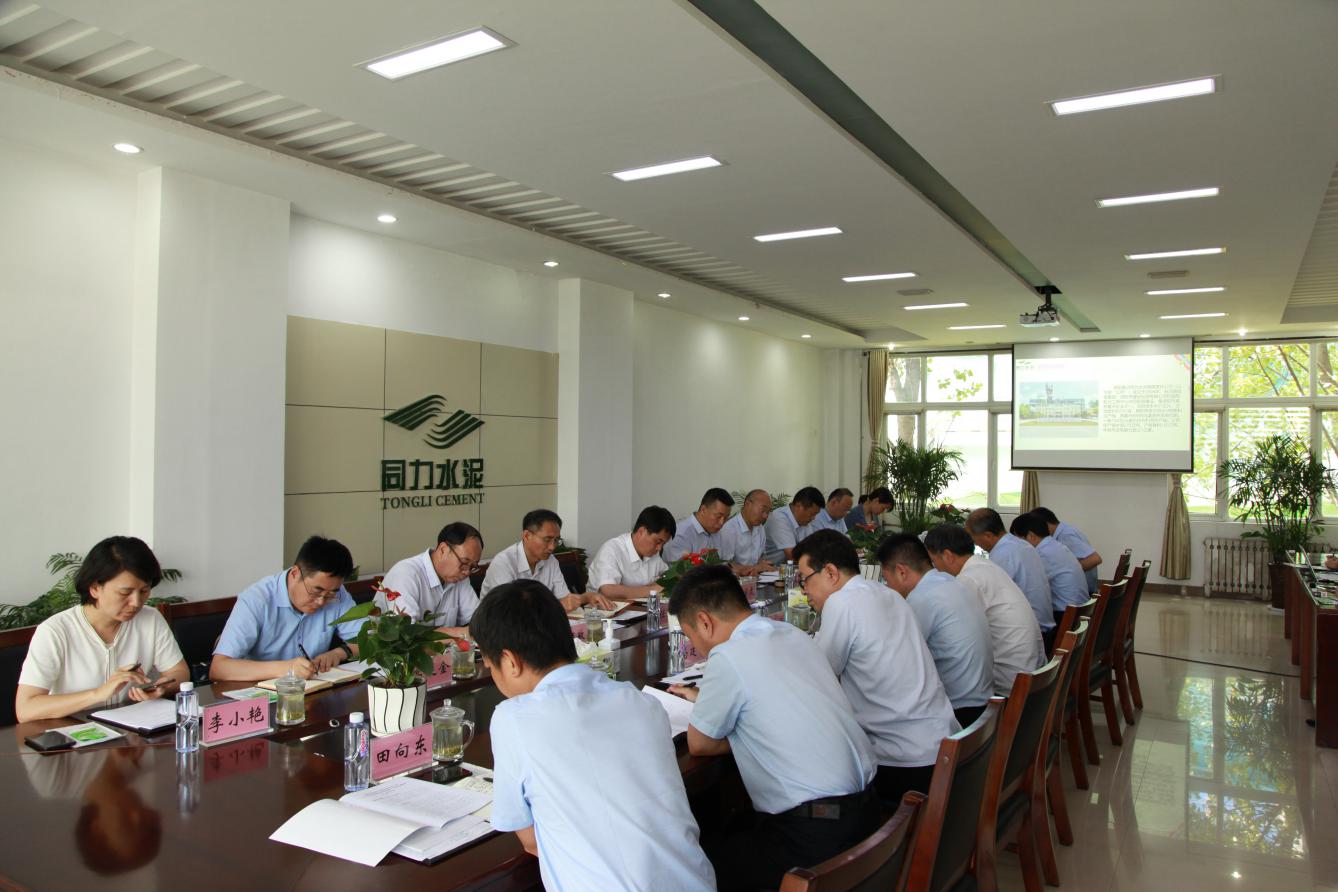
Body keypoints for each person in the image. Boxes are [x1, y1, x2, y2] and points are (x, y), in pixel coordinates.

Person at [476, 580, 715, 892]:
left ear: (510, 662)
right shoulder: (642, 702)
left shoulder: (513, 718)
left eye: (490, 666)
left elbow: (531, 840)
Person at [666, 564, 878, 889]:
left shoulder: (729, 655)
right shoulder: (791, 633)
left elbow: (700, 744)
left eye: (690, 636)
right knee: (734, 829)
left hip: (814, 835)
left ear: (705, 622)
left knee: (693, 867)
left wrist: (743, 733)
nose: (696, 647)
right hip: (866, 811)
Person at [794, 530, 959, 808]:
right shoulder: (888, 594)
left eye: (805, 579)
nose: (803, 590)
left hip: (903, 763)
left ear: (831, 572)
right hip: (942, 746)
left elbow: (820, 676)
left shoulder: (841, 603)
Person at [16, 536, 188, 722]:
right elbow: (26, 708)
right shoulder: (55, 631)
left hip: (132, 729)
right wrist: (98, 694)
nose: (136, 602)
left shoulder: (150, 619)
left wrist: (162, 688)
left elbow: (179, 673)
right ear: (95, 588)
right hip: (74, 731)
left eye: (144, 591)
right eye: (125, 592)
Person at [210, 535, 366, 682]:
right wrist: (286, 668)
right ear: (295, 573)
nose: (321, 601)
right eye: (316, 591)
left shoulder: (337, 594)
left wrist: (339, 653)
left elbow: (369, 639)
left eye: (330, 594)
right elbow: (219, 668)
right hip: (260, 691)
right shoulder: (257, 599)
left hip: (312, 688)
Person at [878, 533, 994, 729]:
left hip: (960, 712)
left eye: (887, 579)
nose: (888, 586)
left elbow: (898, 660)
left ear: (901, 571)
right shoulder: (950, 581)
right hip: (983, 703)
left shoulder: (922, 598)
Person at [924, 524, 1045, 697]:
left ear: (948, 556)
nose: (935, 568)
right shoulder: (985, 566)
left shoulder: (968, 580)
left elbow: (957, 637)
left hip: (1009, 681)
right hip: (1032, 670)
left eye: (934, 561)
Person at [481, 509, 611, 611]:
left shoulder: (550, 561)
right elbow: (511, 611)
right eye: (547, 539)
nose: (552, 547)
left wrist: (585, 597)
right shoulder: (504, 563)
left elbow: (564, 598)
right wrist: (559, 605)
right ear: (527, 535)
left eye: (556, 540)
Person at [374, 522, 483, 639]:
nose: (467, 572)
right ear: (443, 550)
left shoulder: (460, 578)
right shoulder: (406, 574)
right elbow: (406, 632)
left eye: (473, 566)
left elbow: (477, 622)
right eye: (464, 562)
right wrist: (460, 633)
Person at [965, 508, 1056, 642]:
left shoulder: (1003, 554)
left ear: (988, 535)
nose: (974, 543)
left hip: (1032, 633)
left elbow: (987, 597)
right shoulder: (1020, 544)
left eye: (973, 538)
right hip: (1043, 625)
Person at [1013, 512, 1090, 625]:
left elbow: (1026, 586)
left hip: (1066, 616)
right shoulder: (1055, 546)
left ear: (1031, 536)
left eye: (1018, 540)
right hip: (1078, 611)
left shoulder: (1042, 554)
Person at [587, 506, 675, 599]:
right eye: (658, 542)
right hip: (604, 607)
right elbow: (608, 590)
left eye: (663, 544)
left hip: (640, 606)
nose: (659, 548)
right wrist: (652, 590)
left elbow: (666, 577)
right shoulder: (612, 549)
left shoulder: (653, 554)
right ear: (641, 532)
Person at [1033, 506, 1103, 594]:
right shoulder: (1064, 529)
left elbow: (1095, 559)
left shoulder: (1065, 535)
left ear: (1046, 524)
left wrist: (1066, 571)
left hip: (1085, 592)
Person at [662, 488, 733, 562]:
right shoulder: (681, 534)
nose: (722, 523)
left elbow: (727, 561)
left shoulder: (721, 531)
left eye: (726, 518)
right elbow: (679, 568)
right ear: (703, 510)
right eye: (718, 516)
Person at [718, 488, 774, 575]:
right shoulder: (729, 529)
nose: (765, 516)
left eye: (768, 512)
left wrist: (764, 566)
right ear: (748, 504)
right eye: (763, 510)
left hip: (756, 578)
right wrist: (755, 568)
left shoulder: (760, 528)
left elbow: (760, 558)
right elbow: (725, 565)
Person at [763, 486, 825, 564]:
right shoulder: (779, 518)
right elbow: (792, 556)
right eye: (812, 514)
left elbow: (812, 550)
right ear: (799, 506)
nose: (813, 518)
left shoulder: (804, 521)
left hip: (787, 568)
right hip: (769, 568)